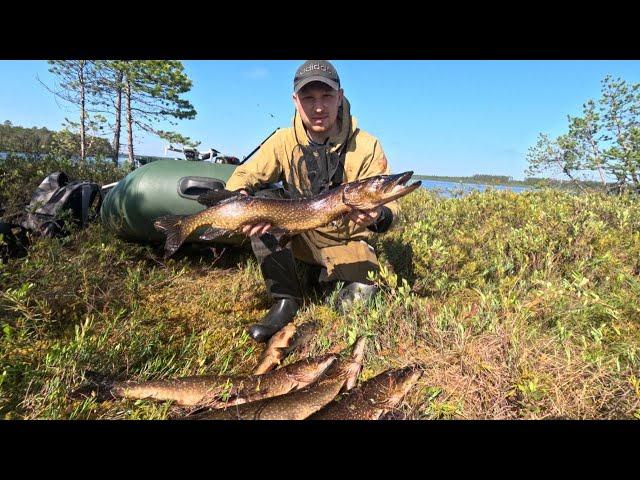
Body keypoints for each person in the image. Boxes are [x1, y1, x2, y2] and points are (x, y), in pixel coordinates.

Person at [225, 60, 399, 343]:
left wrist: (378, 216)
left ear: (340, 96)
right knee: (266, 201)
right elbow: (242, 176)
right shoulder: (282, 140)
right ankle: (286, 300)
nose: (319, 107)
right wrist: (241, 197)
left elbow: (391, 206)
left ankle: (326, 290)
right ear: (296, 101)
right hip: (300, 239)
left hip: (347, 245)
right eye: (309, 98)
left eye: (327, 96)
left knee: (360, 302)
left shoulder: (367, 145)